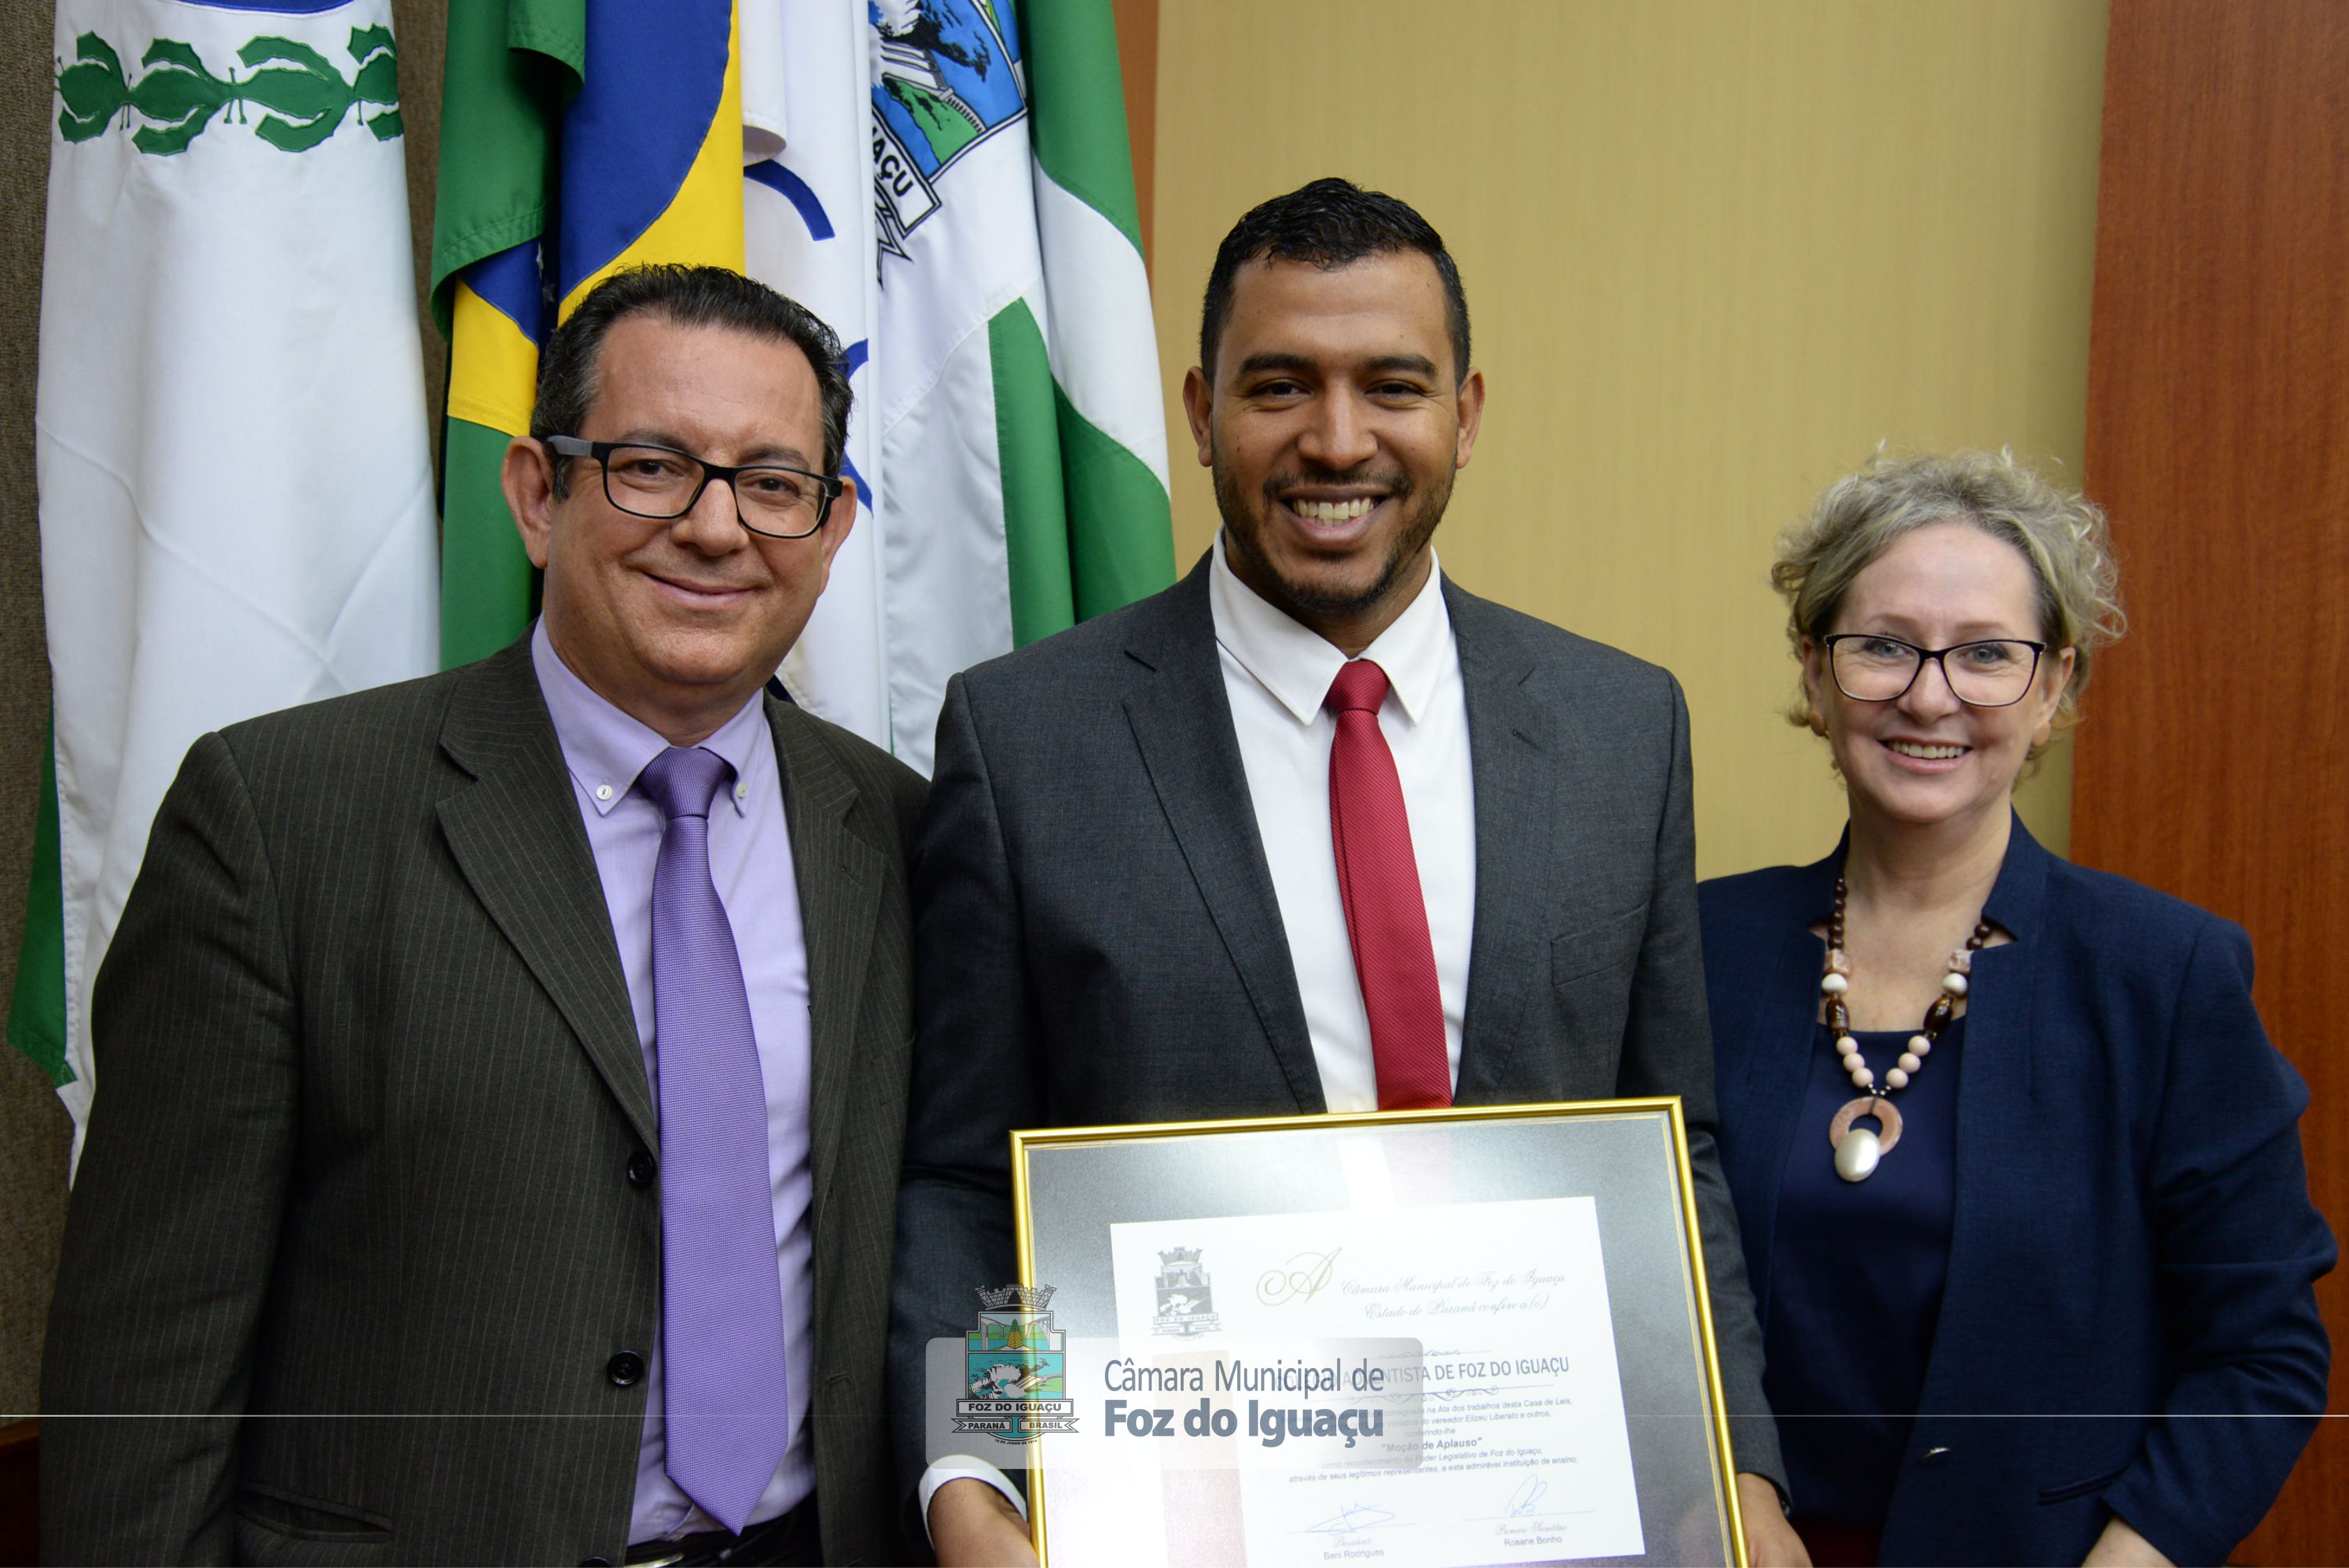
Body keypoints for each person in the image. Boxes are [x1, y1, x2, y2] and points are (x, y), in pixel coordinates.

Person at [893, 177, 1805, 1566]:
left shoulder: (1619, 729)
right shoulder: (1030, 740)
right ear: (1198, 411)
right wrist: (978, 1482)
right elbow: (978, 1184)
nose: (1335, 441)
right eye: (1278, 386)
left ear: (1465, 413)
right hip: (1185, 1510)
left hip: (1548, 1506)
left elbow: (1672, 1155)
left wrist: (1733, 1474)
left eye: (1390, 385)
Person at [41, 266, 924, 1567]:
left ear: (832, 528)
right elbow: (147, 1367)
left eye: (772, 482)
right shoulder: (281, 819)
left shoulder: (904, 831)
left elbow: (964, 1228)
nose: (715, 526)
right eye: (650, 465)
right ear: (534, 491)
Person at [1701, 449, 2334, 1567]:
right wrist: (1742, 1512)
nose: (1929, 692)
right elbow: (1654, 1291)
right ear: (1814, 669)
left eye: (1988, 654)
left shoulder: (2163, 973)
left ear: (2053, 690)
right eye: (1883, 645)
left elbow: (2261, 1353)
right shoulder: (1703, 947)